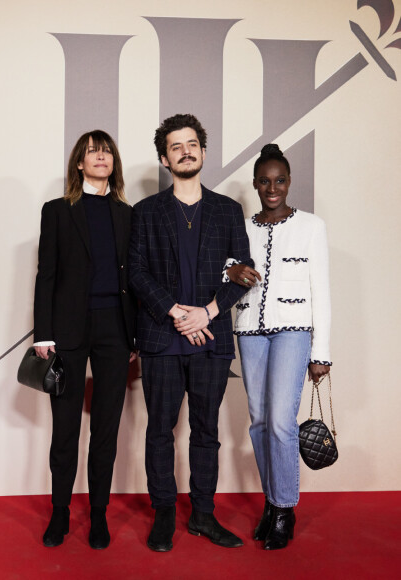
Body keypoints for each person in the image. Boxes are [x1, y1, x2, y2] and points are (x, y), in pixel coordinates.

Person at [129, 113, 253, 552]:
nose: (185, 150)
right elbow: (137, 273)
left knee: (206, 431)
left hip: (210, 340)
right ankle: (164, 513)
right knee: (160, 430)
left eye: (191, 143)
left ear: (202, 150)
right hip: (162, 339)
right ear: (165, 158)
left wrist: (209, 312)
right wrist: (175, 311)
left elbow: (243, 272)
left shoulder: (227, 211)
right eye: (176, 146)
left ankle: (203, 515)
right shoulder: (145, 213)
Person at [33, 130, 137, 549]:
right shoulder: (56, 211)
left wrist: (133, 336)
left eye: (106, 150)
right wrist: (44, 333)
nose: (101, 156)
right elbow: (47, 275)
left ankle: (98, 516)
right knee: (65, 430)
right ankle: (60, 514)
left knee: (107, 432)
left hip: (116, 330)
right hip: (69, 331)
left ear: (114, 162)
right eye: (92, 151)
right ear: (79, 162)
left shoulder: (128, 214)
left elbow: (135, 277)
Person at [226, 143, 332, 550]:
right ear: (255, 184)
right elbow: (224, 265)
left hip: (294, 331)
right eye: (265, 181)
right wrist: (230, 269)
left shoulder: (311, 226)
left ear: (289, 182)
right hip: (250, 328)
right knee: (259, 422)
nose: (273, 188)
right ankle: (272, 502)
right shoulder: (244, 226)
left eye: (280, 180)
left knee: (283, 422)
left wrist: (320, 353)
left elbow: (321, 291)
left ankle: (285, 508)